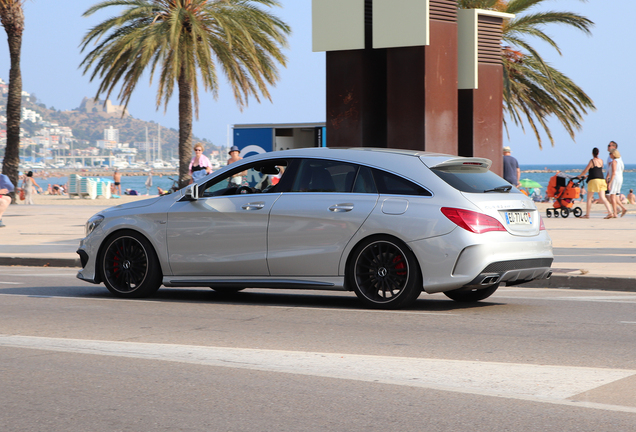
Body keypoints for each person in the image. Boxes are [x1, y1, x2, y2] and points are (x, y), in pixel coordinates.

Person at [578, 147, 614, 219]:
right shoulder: (601, 161)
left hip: (593, 181)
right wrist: (588, 175)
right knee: (603, 198)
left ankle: (587, 215)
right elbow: (596, 171)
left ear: (592, 153)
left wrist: (580, 175)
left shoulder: (592, 161)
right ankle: (610, 212)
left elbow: (586, 170)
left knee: (589, 198)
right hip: (601, 180)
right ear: (598, 153)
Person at [607, 149, 627, 217]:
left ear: (613, 154)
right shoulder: (620, 161)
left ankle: (615, 213)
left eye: (610, 153)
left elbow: (613, 173)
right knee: (616, 196)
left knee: (612, 195)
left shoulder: (614, 162)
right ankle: (623, 208)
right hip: (620, 178)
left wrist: (609, 183)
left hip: (615, 179)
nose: (609, 155)